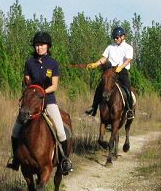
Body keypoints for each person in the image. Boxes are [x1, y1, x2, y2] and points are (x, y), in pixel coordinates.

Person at [7, 31, 73, 175]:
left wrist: (43, 92)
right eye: (37, 45)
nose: (39, 48)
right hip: (32, 101)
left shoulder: (53, 63)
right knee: (15, 131)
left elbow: (55, 85)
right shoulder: (29, 62)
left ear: (48, 46)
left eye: (42, 45)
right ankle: (16, 159)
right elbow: (27, 80)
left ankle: (64, 160)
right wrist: (33, 93)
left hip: (48, 100)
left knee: (61, 133)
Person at [84, 26, 134, 119]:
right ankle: (93, 108)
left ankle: (129, 110)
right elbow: (104, 58)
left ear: (123, 37)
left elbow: (128, 60)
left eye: (117, 37)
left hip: (122, 71)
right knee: (99, 88)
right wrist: (95, 64)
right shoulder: (110, 47)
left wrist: (121, 67)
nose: (115, 39)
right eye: (114, 37)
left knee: (127, 89)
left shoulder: (128, 48)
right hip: (110, 71)